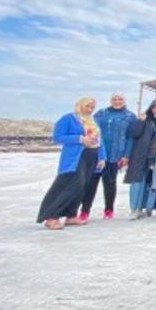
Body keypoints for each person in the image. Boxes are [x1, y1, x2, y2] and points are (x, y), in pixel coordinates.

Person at [37, 98, 107, 230]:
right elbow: (58, 137)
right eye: (87, 106)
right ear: (80, 105)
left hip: (91, 156)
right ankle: (51, 216)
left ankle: (71, 215)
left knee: (82, 186)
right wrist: (80, 139)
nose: (90, 109)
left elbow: (100, 140)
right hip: (75, 157)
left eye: (92, 106)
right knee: (69, 184)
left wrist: (102, 157)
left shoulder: (93, 120)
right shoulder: (69, 118)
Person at [80, 93, 136, 220]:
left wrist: (126, 155)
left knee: (110, 183)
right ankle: (85, 210)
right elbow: (89, 128)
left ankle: (109, 210)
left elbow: (131, 138)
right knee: (90, 183)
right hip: (97, 153)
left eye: (120, 99)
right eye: (114, 99)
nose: (117, 101)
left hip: (114, 154)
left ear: (124, 101)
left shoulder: (130, 116)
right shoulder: (101, 113)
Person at [124, 99, 156, 219]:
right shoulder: (145, 120)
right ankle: (135, 209)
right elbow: (133, 133)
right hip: (139, 154)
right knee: (137, 181)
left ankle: (145, 207)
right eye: (154, 107)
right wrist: (140, 121)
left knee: (151, 184)